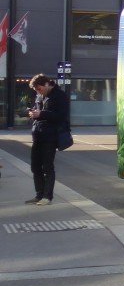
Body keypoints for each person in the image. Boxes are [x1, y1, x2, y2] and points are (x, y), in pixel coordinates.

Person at [26, 73, 70, 205]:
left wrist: (42, 114)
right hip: (38, 135)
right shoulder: (40, 96)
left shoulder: (60, 96)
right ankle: (39, 195)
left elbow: (62, 116)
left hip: (50, 136)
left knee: (47, 167)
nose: (38, 92)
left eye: (39, 89)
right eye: (36, 90)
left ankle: (47, 197)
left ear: (46, 84)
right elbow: (39, 111)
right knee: (35, 166)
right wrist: (33, 113)